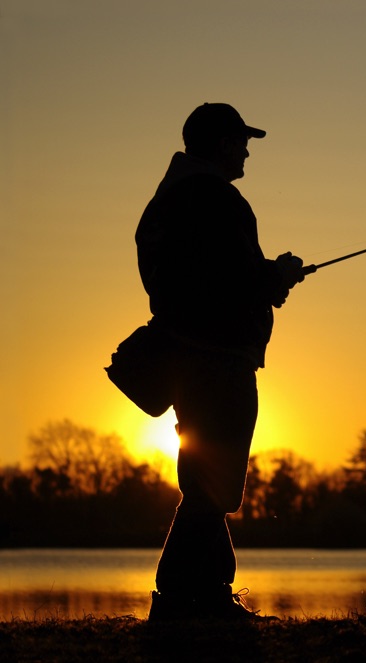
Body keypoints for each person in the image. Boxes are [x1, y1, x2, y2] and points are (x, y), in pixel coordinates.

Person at [136, 103, 305, 620]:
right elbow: (233, 281)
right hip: (218, 358)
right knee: (215, 482)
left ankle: (199, 596)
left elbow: (196, 278)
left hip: (188, 357)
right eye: (241, 141)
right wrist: (278, 276)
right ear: (220, 144)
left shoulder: (168, 200)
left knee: (208, 480)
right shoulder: (218, 199)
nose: (247, 150)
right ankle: (187, 597)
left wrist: (265, 280)